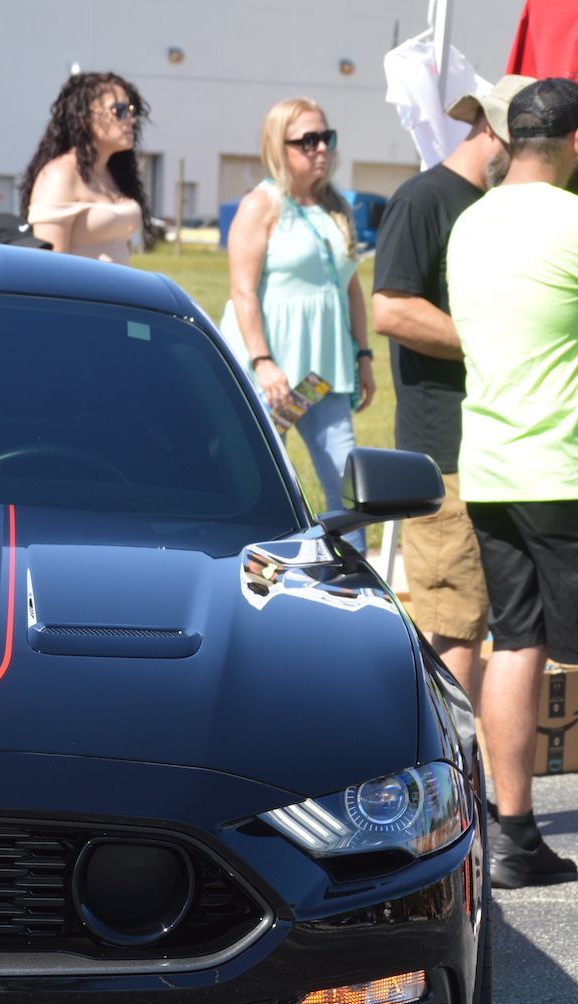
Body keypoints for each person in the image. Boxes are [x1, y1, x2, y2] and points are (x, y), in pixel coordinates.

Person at [445, 77, 578, 889]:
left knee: (517, 642)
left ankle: (513, 835)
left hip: (491, 463)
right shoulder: (571, 221)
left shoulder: (469, 225)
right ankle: (517, 838)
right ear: (573, 143)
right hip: (563, 464)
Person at [373, 76, 530, 713]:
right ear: (493, 132)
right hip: (445, 456)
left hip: (497, 448)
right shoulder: (424, 198)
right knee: (457, 626)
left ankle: (481, 778)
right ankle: (451, 785)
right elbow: (391, 309)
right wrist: (490, 341)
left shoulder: (491, 204)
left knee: (489, 623)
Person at [219, 97, 376, 553]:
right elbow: (242, 290)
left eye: (326, 137)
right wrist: (263, 362)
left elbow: (350, 289)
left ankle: (353, 591)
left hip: (321, 377)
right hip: (276, 378)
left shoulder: (337, 207)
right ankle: (256, 582)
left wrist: (364, 355)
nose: (321, 148)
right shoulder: (261, 205)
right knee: (263, 488)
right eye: (307, 140)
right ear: (278, 145)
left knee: (348, 486)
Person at [18, 72, 152, 264]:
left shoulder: (114, 173)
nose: (131, 120)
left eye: (131, 110)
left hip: (119, 294)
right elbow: (48, 269)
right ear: (85, 118)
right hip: (82, 293)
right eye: (120, 111)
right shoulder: (59, 175)